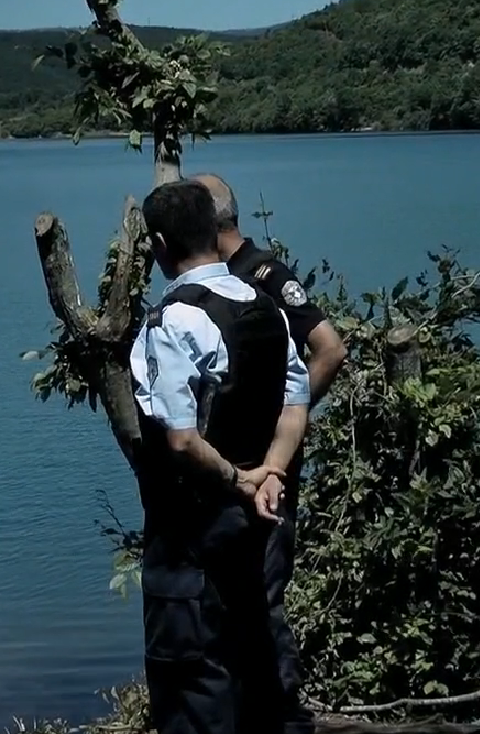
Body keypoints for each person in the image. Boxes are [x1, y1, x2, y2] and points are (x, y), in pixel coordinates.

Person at [131, 179, 312, 734]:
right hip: (258, 521)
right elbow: (295, 402)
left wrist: (239, 478)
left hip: (194, 531)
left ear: (160, 245)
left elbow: (181, 439)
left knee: (193, 683)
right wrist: (273, 471)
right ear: (215, 231)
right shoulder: (266, 307)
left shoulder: (173, 320)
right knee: (255, 660)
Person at [192, 172, 346, 732]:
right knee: (231, 595)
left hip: (268, 469)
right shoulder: (219, 279)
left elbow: (328, 349)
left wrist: (283, 421)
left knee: (262, 591)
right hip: (234, 472)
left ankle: (282, 714)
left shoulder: (263, 276)